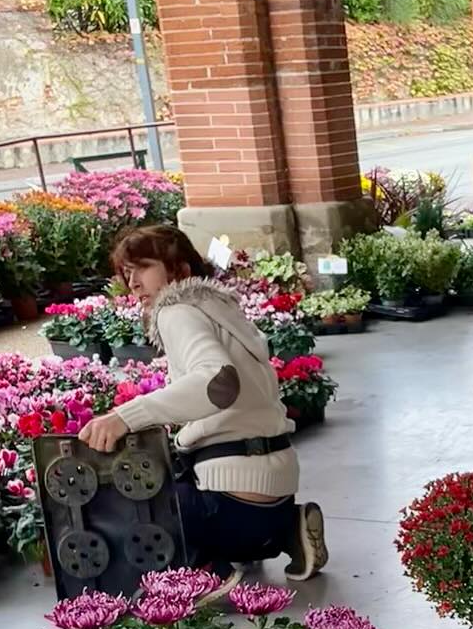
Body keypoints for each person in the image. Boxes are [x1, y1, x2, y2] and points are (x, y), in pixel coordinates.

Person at [77, 223, 326, 586]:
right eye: (126, 273)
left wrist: (124, 417)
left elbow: (217, 382)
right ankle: (288, 529)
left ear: (179, 269)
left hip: (232, 503)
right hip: (275, 496)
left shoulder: (174, 310)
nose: (131, 283)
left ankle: (206, 572)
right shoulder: (222, 310)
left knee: (138, 507)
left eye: (142, 267)